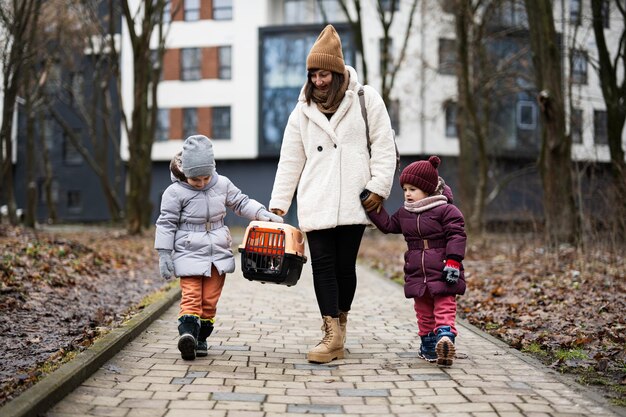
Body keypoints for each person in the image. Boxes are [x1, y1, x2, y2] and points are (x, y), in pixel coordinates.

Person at [269, 25, 397, 363]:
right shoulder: (302, 110)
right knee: (322, 266)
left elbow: (384, 146)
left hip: (356, 199)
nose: (318, 82)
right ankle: (331, 335)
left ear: (337, 72)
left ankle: (340, 324)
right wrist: (279, 205)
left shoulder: (365, 99)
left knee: (344, 268)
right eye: (312, 75)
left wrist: (379, 187)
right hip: (317, 198)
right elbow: (290, 159)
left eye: (323, 74)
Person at [155, 135, 283, 360]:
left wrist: (261, 213)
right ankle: (187, 335)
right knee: (192, 296)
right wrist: (165, 254)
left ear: (212, 169)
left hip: (217, 251)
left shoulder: (222, 183)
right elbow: (166, 223)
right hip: (188, 250)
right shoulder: (174, 193)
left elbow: (241, 202)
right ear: (185, 173)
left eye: (206, 177)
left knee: (210, 300)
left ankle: (201, 338)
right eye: (196, 179)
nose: (202, 183)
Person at [363, 156, 466, 366]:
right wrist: (372, 208)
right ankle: (430, 348)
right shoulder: (405, 213)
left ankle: (445, 337)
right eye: (405, 189)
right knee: (423, 310)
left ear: (427, 189)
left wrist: (453, 262)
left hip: (443, 268)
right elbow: (389, 226)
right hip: (417, 272)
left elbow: (457, 235)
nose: (408, 194)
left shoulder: (446, 210)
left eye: (413, 189)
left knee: (444, 306)